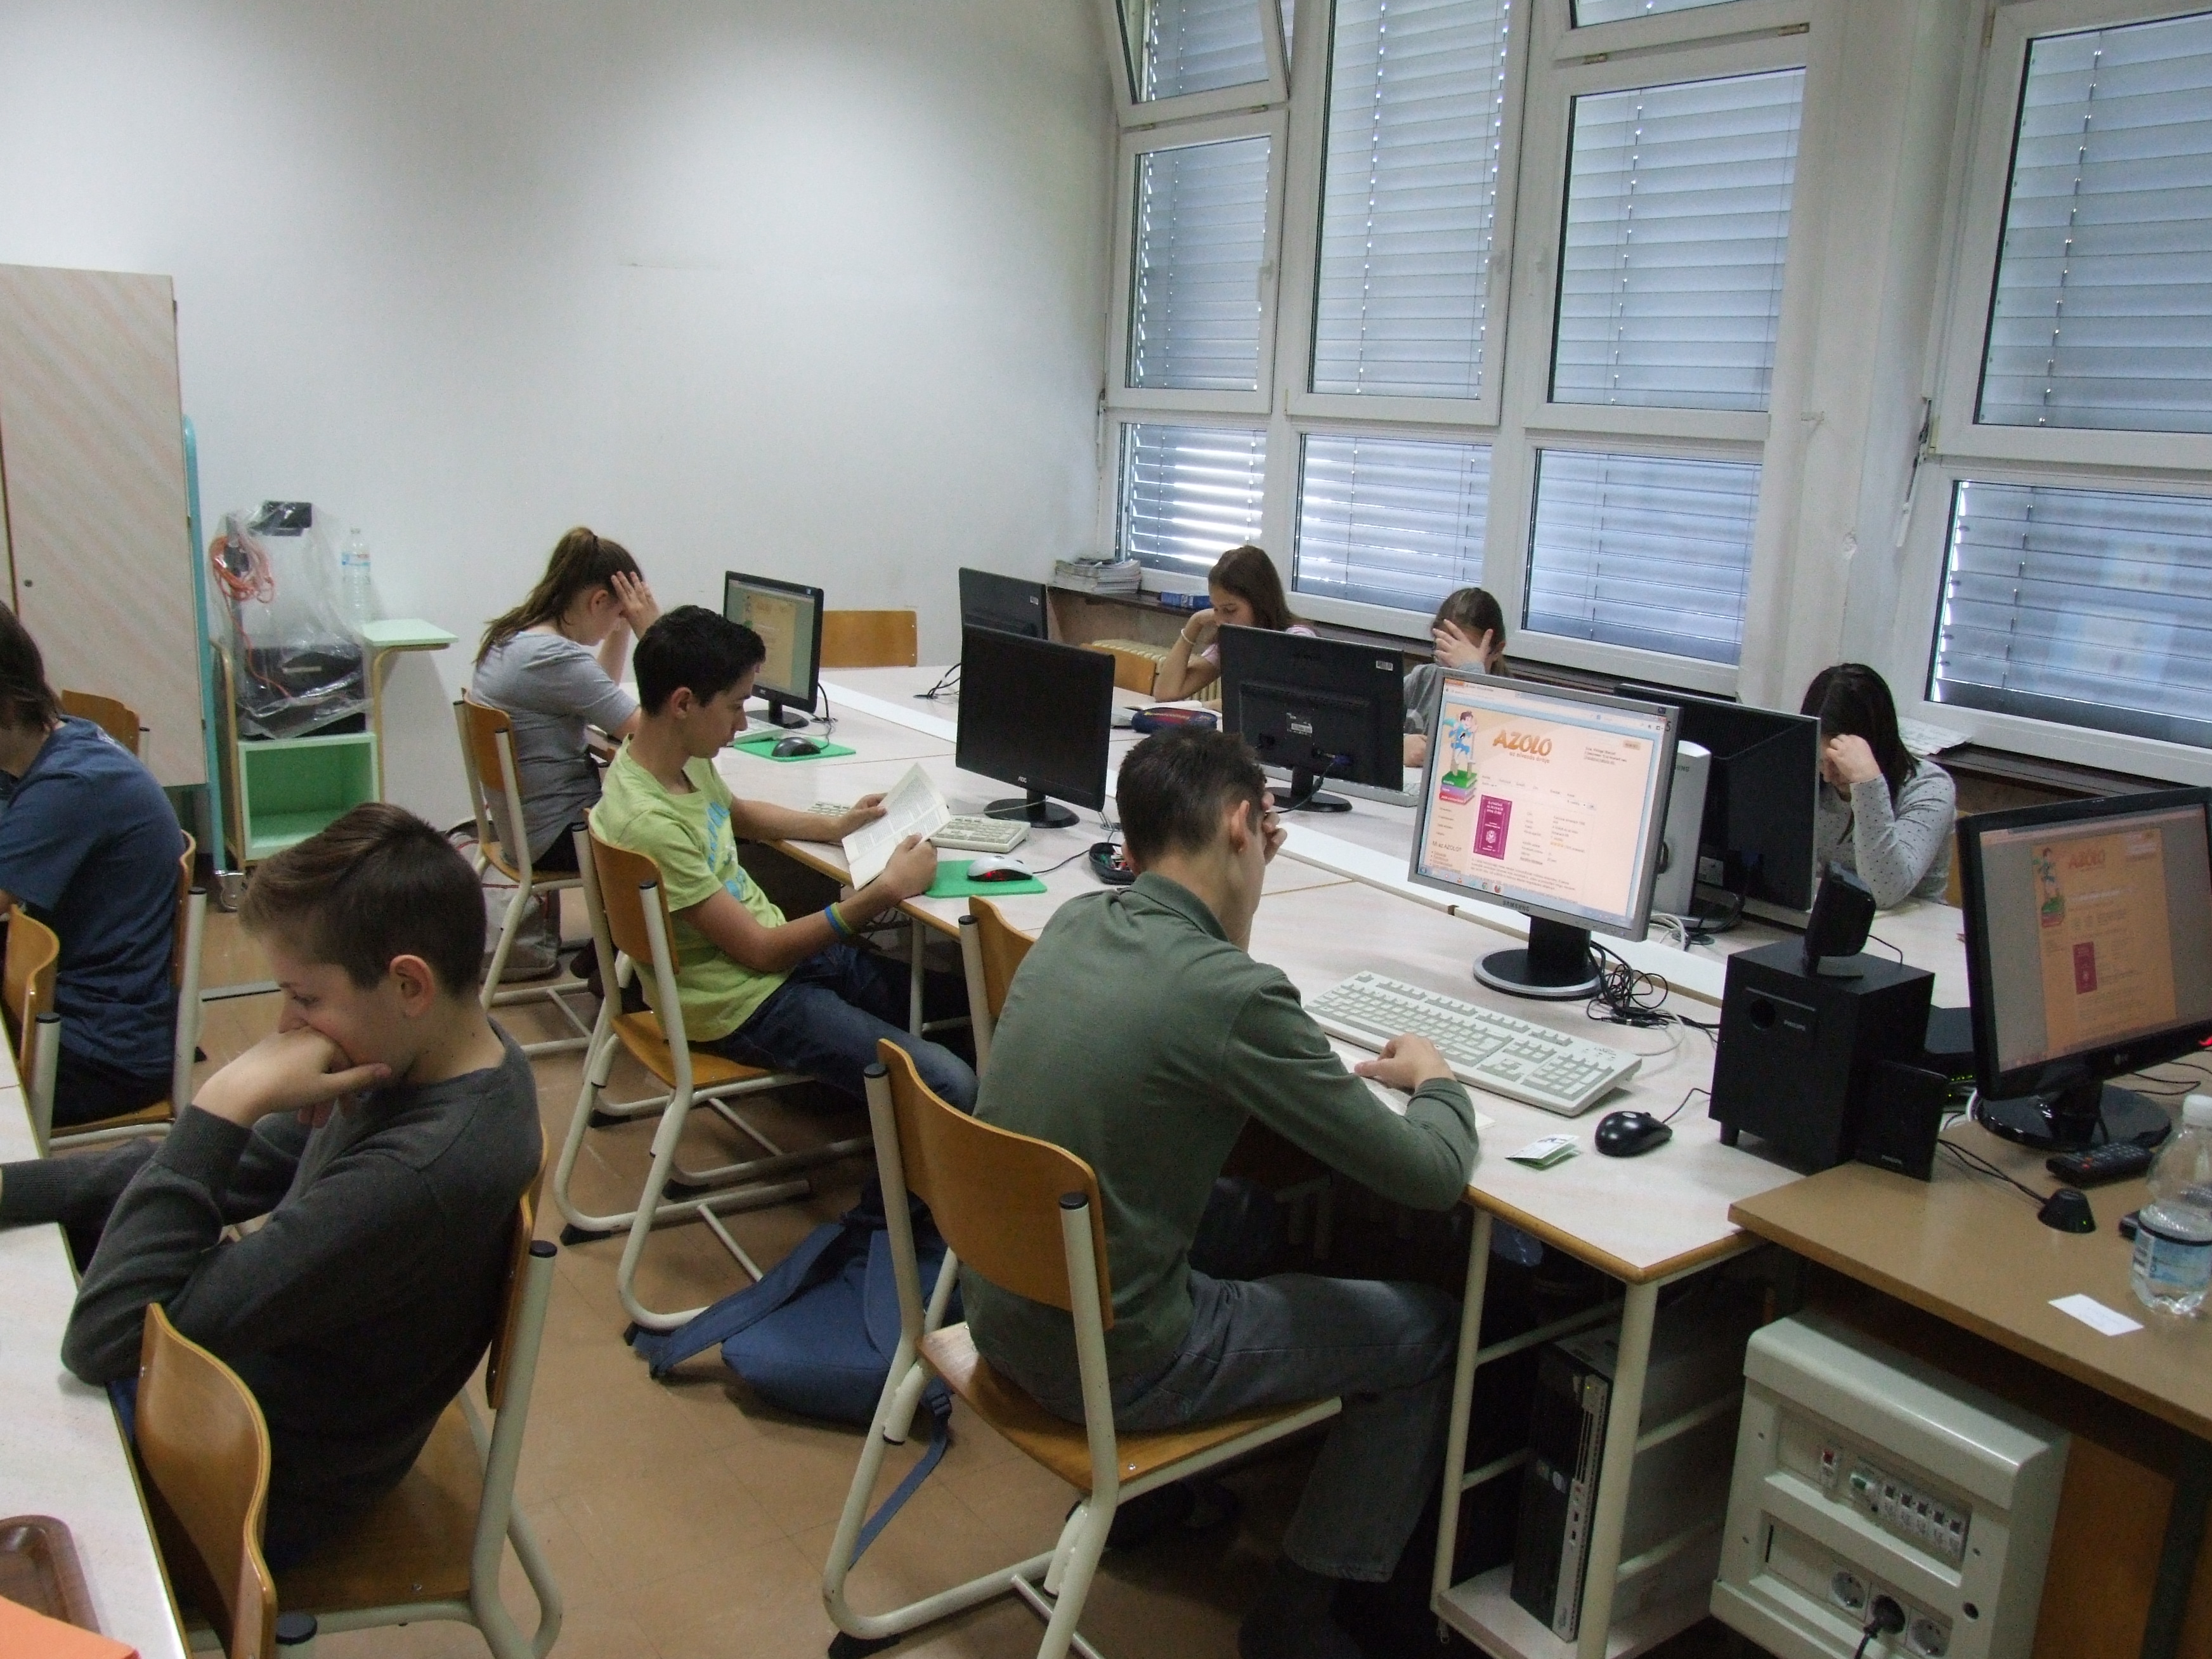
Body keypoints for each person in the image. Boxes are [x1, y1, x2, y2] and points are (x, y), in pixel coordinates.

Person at [963, 727, 1478, 1659]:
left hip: (1000, 1312)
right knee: (1427, 1333)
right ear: (1244, 826)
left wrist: (1235, 873)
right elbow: (1432, 1178)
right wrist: (1438, 1080)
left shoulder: (1075, 921)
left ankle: (1158, 1502)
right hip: (1113, 1363)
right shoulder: (1233, 999)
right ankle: (1300, 1618)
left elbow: (1202, 962)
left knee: (1246, 1217)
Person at [0, 804, 542, 1567]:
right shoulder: (429, 1050)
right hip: (251, 1399)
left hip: (254, 1483)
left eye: (305, 998)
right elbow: (208, 1169)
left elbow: (105, 1341)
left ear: (408, 983)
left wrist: (223, 1102)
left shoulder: (420, 1172)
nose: (288, 1026)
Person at [589, 605, 977, 1109]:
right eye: (735, 707)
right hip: (739, 1005)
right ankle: (908, 1157)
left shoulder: (667, 759)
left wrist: (834, 827)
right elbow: (762, 951)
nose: (740, 723)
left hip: (771, 966)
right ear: (683, 703)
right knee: (950, 1082)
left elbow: (738, 815)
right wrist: (885, 892)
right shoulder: (651, 824)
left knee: (972, 1012)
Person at [0, 605, 186, 1128]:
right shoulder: (46, 746)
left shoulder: (69, 786)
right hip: (75, 1014)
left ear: (8, 707)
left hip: (101, 1052)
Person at [472, 526, 660, 875]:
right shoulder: (554, 657)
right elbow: (653, 733)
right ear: (598, 601)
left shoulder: (513, 637)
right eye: (619, 614)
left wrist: (620, 627)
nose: (617, 624)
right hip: (561, 835)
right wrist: (653, 635)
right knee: (685, 831)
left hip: (525, 832)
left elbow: (597, 693)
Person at [1802, 663, 1956, 908]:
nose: (1828, 776)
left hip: (1911, 924)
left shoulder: (1930, 787)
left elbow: (1883, 892)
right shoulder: (1811, 778)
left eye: (1839, 762)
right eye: (1821, 761)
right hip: (1833, 914)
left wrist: (1867, 784)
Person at [1152, 545, 1318, 702]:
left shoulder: (1298, 638)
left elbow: (1279, 704)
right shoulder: (1234, 640)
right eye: (1215, 609)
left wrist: (1212, 705)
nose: (1220, 621)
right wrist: (1194, 623)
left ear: (1260, 603)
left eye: (1230, 610)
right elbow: (1166, 693)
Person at [1402, 587, 1508, 769]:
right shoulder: (1422, 679)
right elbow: (1368, 727)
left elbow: (1486, 759)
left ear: (1497, 650)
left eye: (1465, 655)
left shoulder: (1508, 703)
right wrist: (1399, 745)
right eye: (1446, 651)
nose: (1452, 666)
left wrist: (1471, 674)